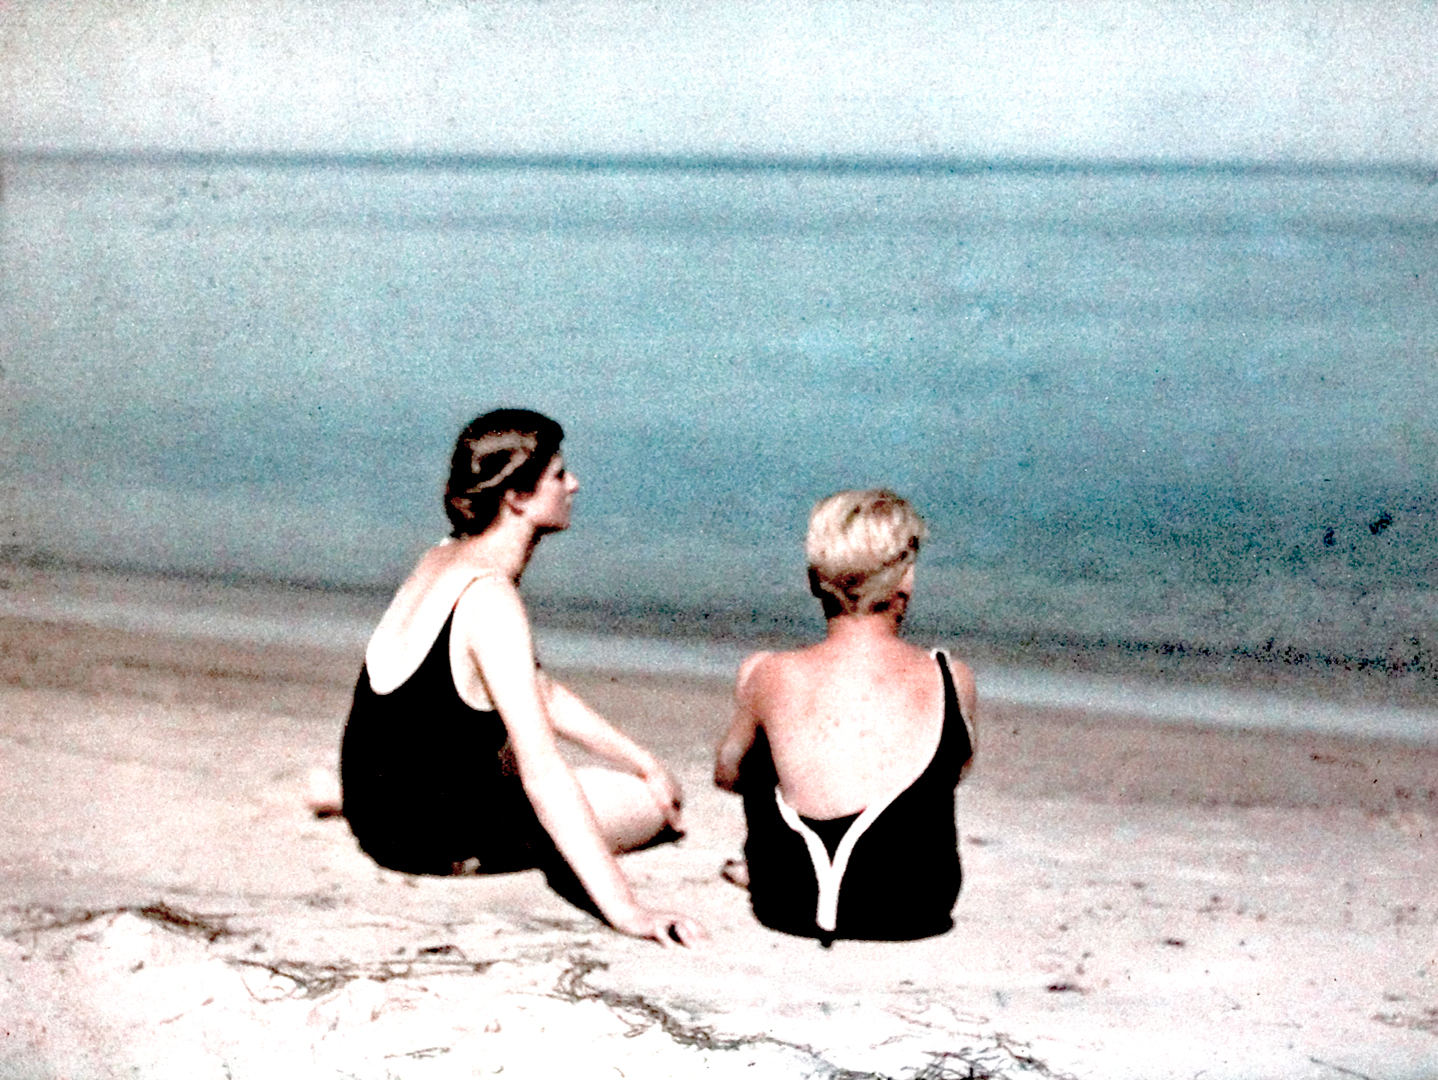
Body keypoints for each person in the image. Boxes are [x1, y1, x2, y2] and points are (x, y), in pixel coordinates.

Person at [340, 408, 705, 948]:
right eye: (559, 474)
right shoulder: (490, 597)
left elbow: (536, 689)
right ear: (516, 496)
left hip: (374, 815)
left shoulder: (441, 556)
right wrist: (630, 912)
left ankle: (341, 795)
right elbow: (544, 773)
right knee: (650, 807)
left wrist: (642, 759)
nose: (574, 484)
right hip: (429, 842)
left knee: (515, 732)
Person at [714, 490, 976, 946]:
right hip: (915, 905)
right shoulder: (950, 676)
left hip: (787, 901)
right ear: (904, 580)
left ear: (814, 580)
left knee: (760, 750)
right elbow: (955, 772)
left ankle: (775, 862)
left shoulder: (768, 673)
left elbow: (727, 774)